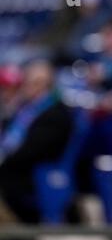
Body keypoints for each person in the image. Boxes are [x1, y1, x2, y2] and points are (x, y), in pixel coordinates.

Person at [0, 60, 73, 223]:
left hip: (35, 175)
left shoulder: (55, 113)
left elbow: (32, 151)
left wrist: (4, 160)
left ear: (40, 84)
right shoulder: (28, 109)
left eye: (25, 82)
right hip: (19, 168)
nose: (22, 87)